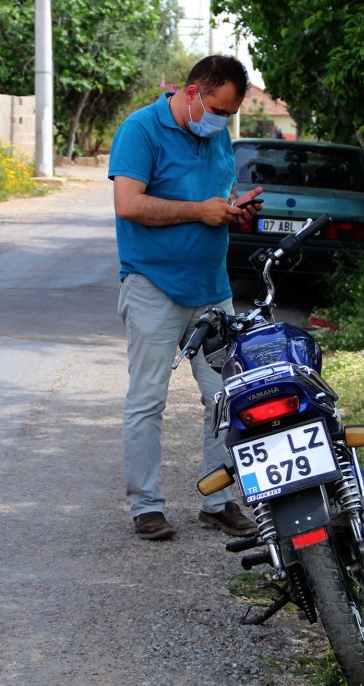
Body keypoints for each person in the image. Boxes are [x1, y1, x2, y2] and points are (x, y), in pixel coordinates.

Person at [109, 55, 263, 541]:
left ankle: (218, 502)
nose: (222, 121)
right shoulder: (140, 130)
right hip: (153, 286)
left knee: (227, 397)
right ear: (194, 91)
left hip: (212, 291)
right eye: (218, 108)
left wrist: (233, 212)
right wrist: (200, 211)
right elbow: (129, 204)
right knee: (148, 399)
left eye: (230, 113)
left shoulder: (216, 138)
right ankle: (146, 507)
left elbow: (217, 197)